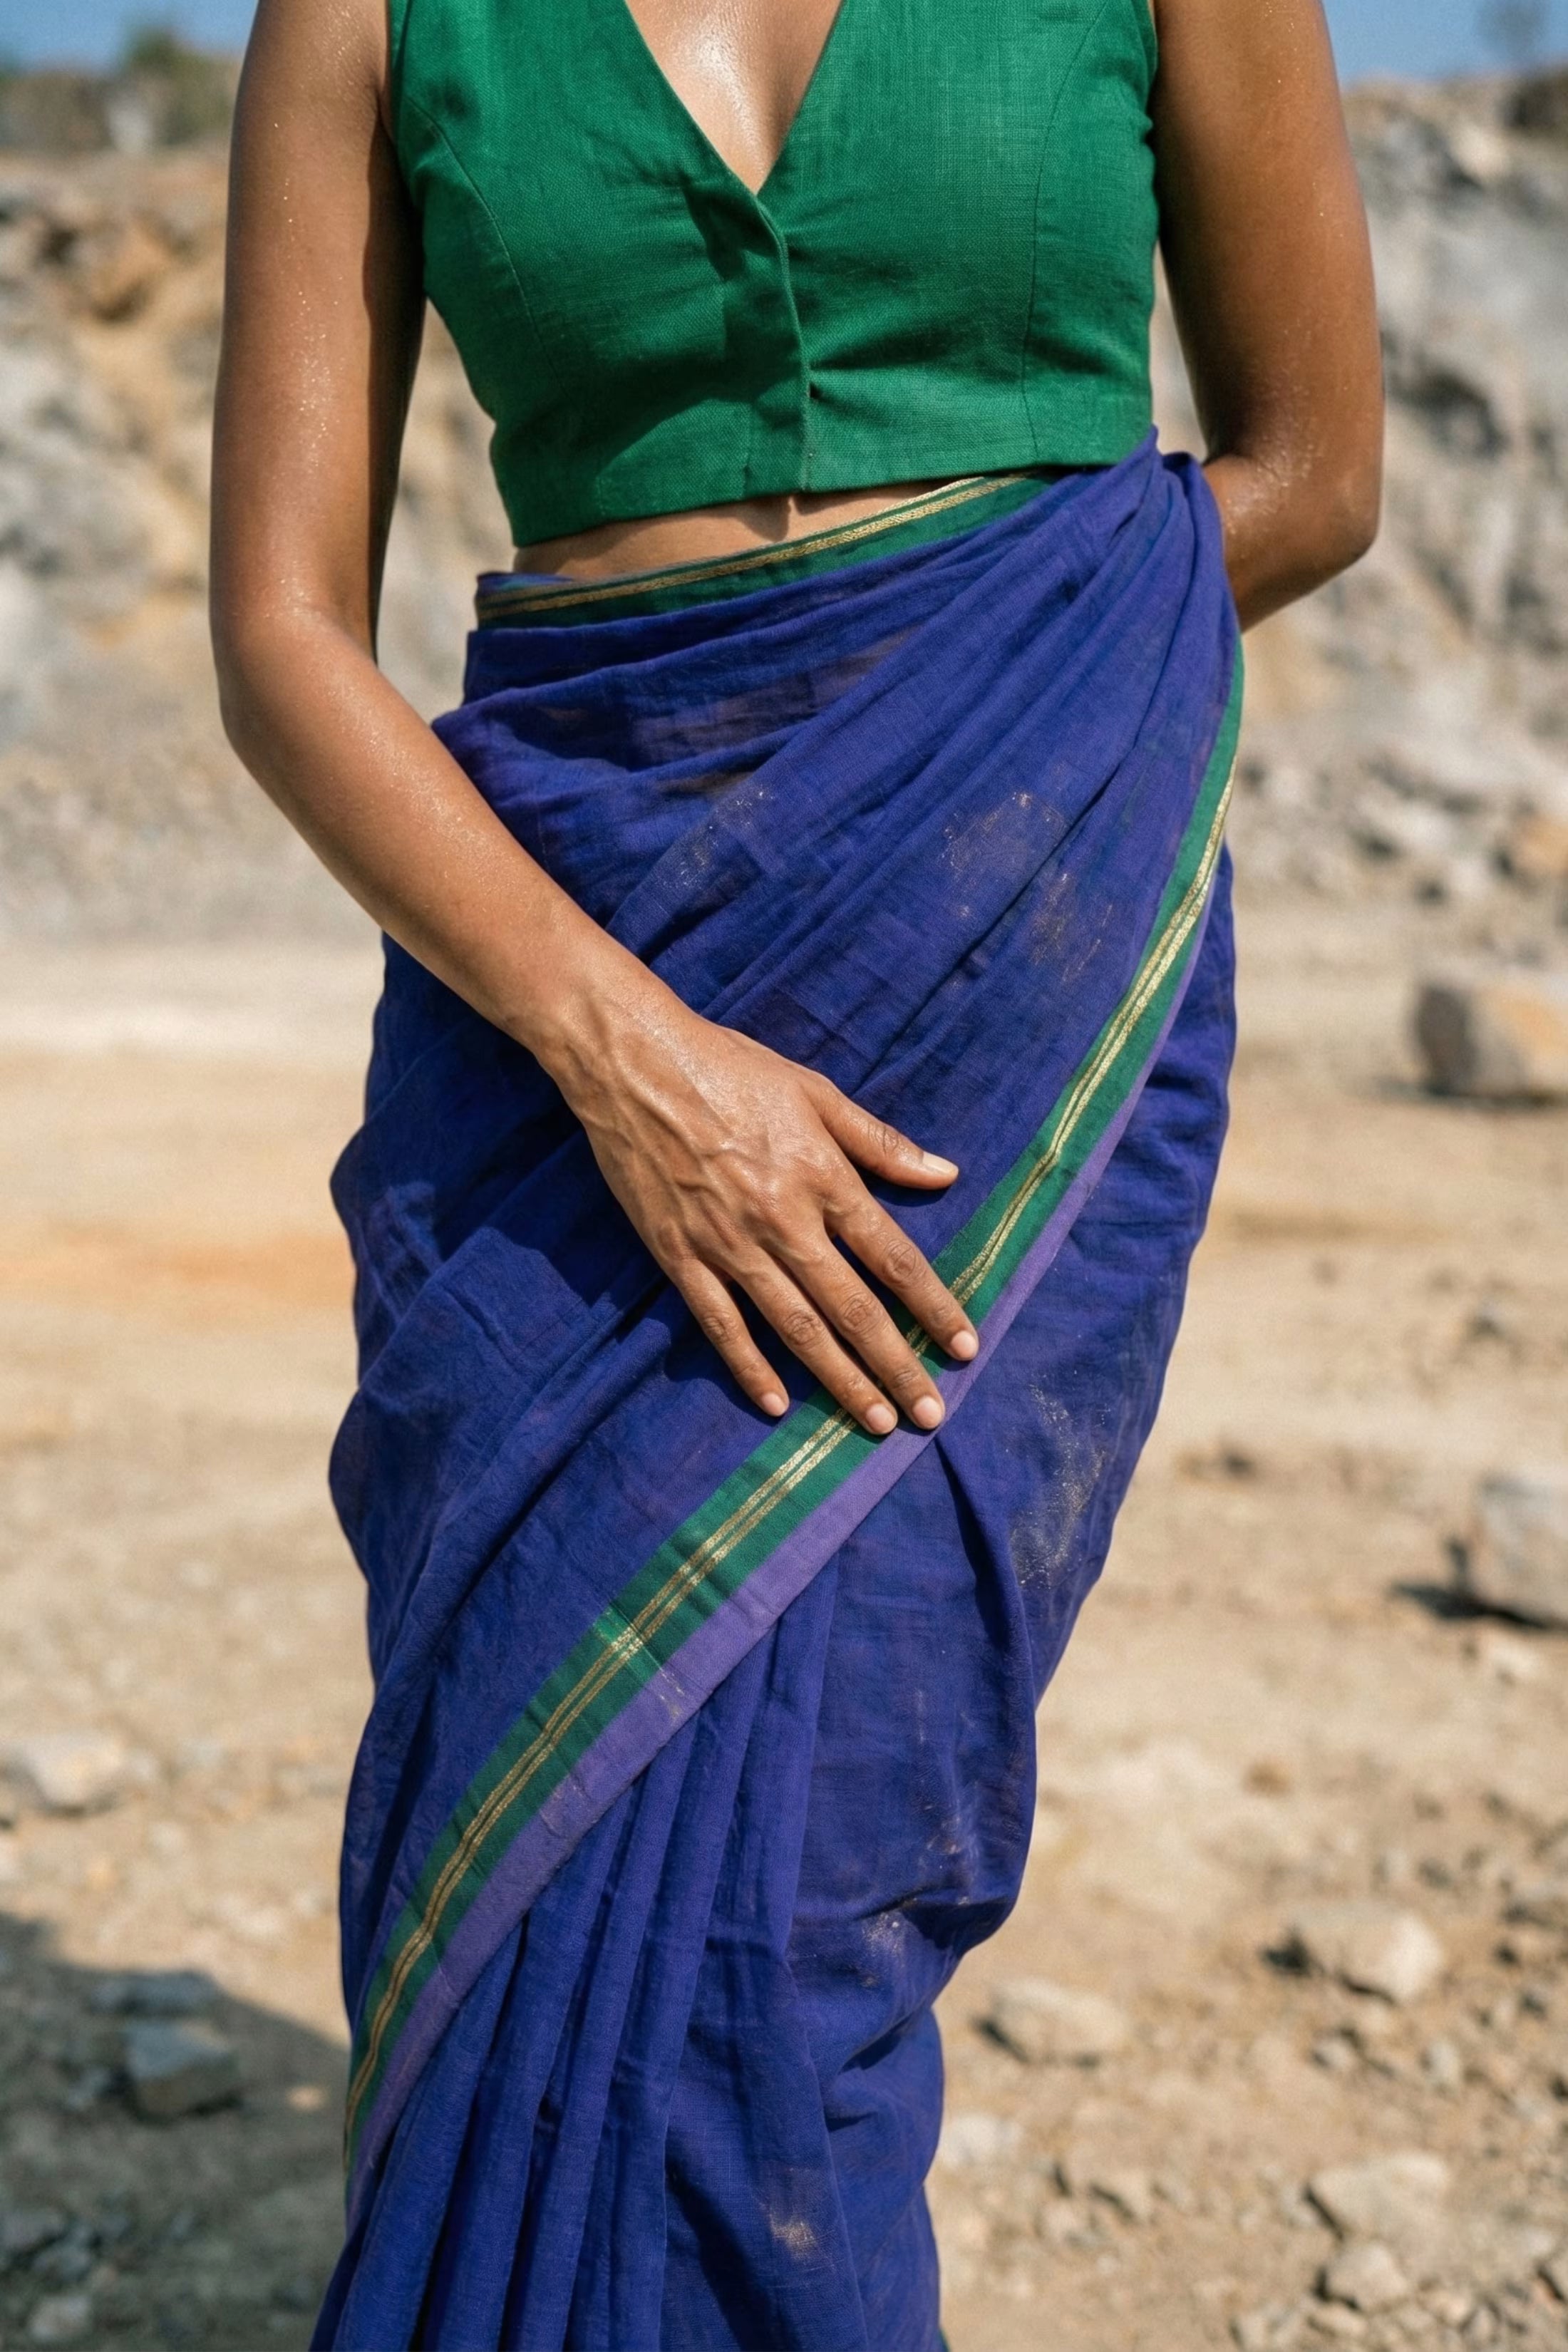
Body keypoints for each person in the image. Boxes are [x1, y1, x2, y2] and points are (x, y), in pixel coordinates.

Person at [210, 0, 1381, 2342]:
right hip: (554, 987)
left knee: (815, 1870)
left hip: (999, 976)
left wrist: (981, 709)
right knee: (518, 1824)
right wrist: (619, 1041)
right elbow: (276, 632)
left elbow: (1315, 464)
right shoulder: (361, 14)